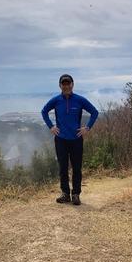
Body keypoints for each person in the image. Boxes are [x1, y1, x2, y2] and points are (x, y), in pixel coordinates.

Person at [41, 74, 99, 205]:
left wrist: (87, 128)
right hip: (61, 139)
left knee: (77, 168)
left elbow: (94, 112)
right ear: (60, 85)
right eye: (64, 84)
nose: (66, 86)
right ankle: (65, 194)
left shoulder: (79, 100)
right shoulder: (56, 100)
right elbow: (44, 111)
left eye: (68, 83)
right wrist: (51, 126)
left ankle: (76, 194)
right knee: (63, 168)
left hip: (76, 139)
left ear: (72, 84)